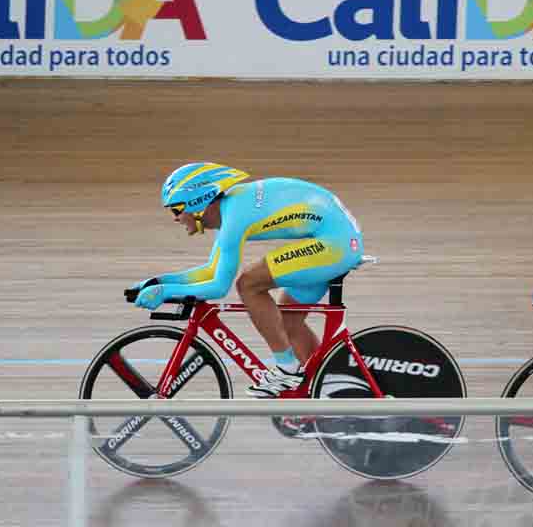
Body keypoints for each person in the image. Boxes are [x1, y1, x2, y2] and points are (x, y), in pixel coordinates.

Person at [127, 162, 364, 397]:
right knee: (287, 323)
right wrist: (157, 282)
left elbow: (219, 287)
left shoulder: (234, 219)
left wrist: (166, 292)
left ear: (197, 202)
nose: (175, 218)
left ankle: (287, 369)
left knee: (248, 283)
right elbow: (210, 271)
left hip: (336, 244)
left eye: (176, 209)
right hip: (336, 239)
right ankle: (324, 391)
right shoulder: (230, 211)